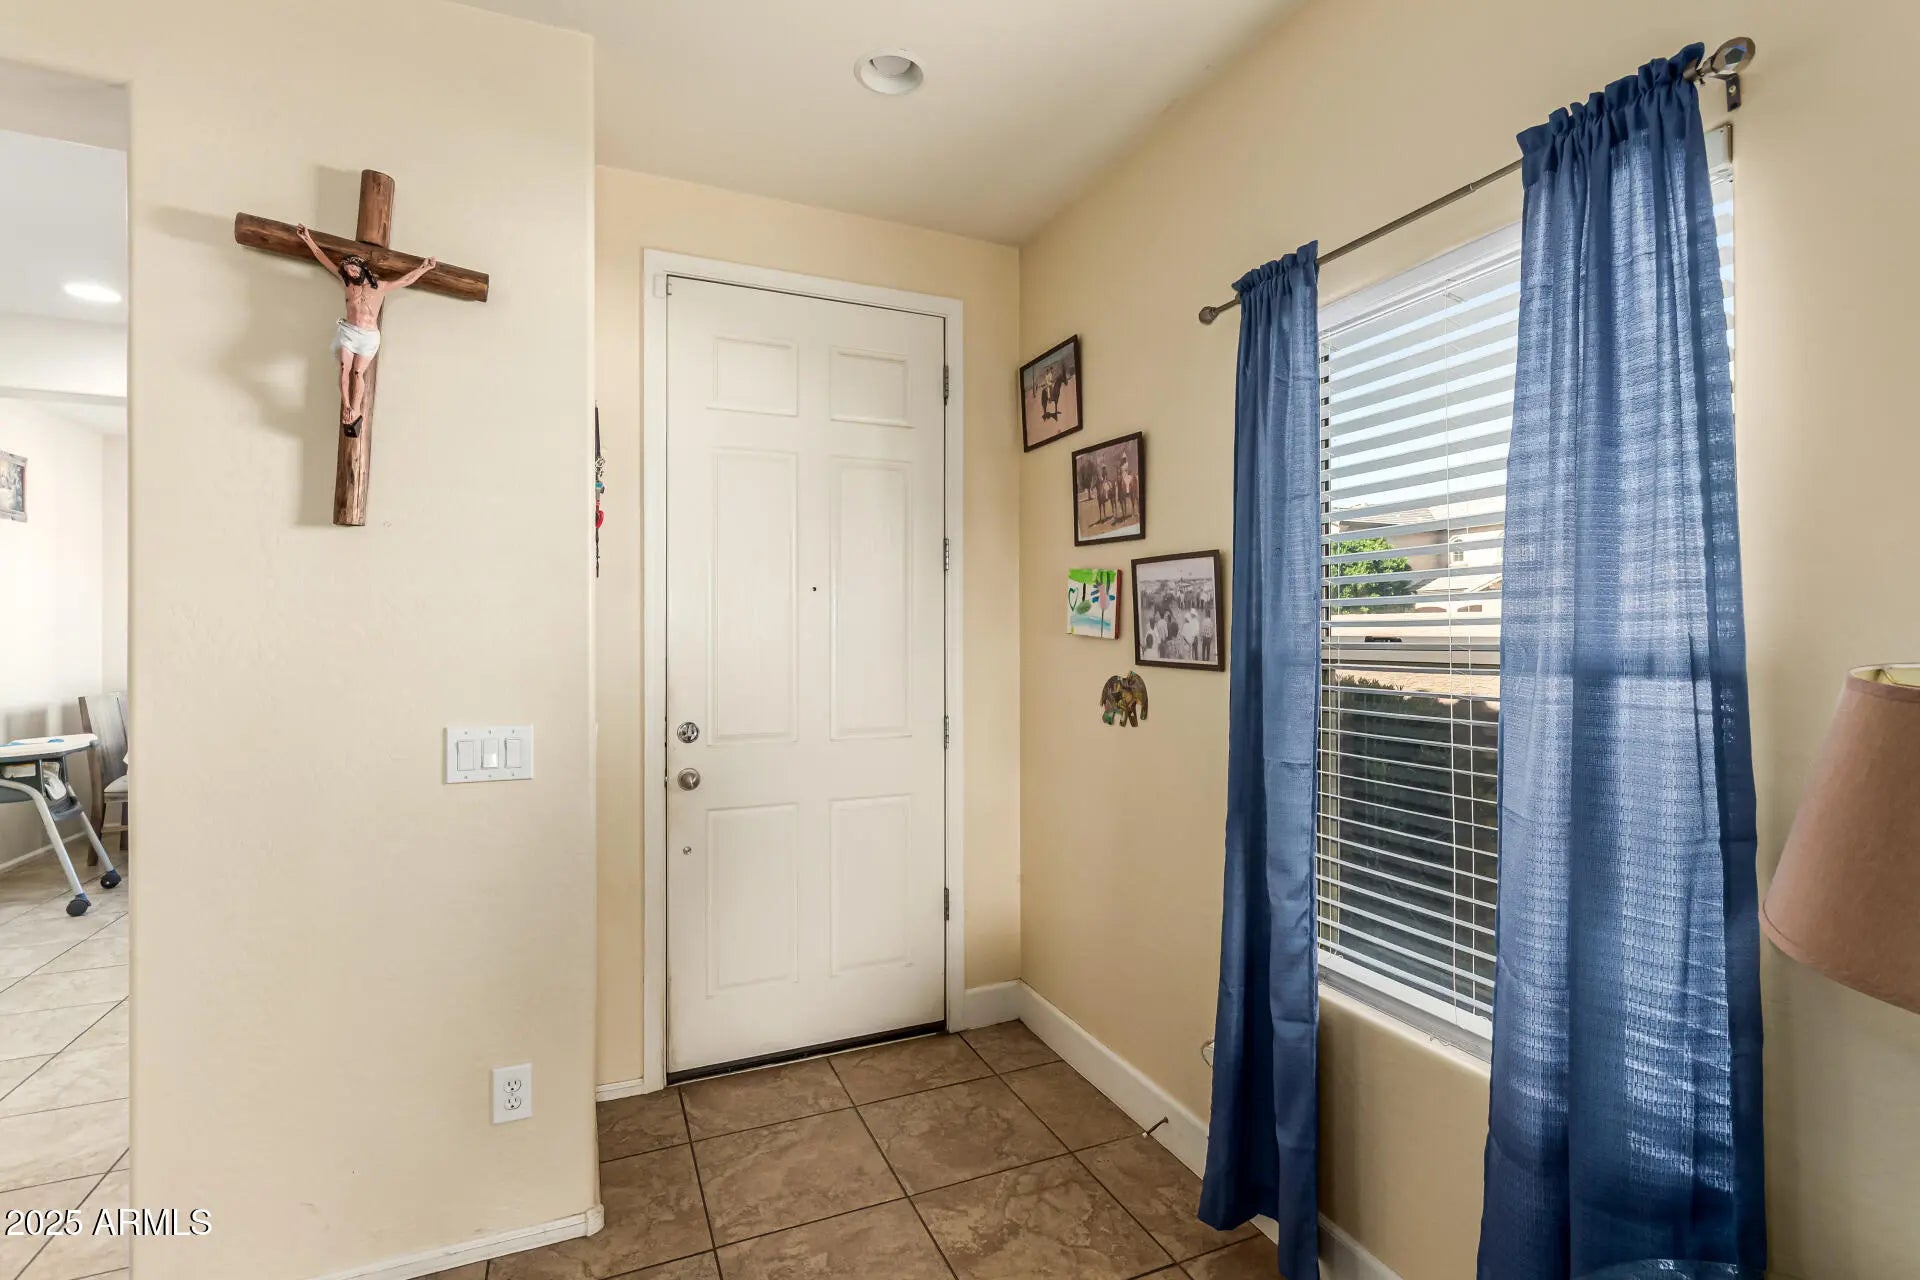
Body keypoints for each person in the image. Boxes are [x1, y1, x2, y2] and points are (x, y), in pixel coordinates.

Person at [295, 224, 438, 437]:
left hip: (369, 336)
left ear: (362, 268)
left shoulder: (380, 287)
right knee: (344, 367)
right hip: (349, 332)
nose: (351, 272)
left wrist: (424, 267)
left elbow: (406, 280)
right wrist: (307, 238)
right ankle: (346, 405)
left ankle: (356, 410)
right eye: (348, 271)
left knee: (358, 372)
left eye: (353, 269)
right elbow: (323, 259)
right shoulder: (347, 284)